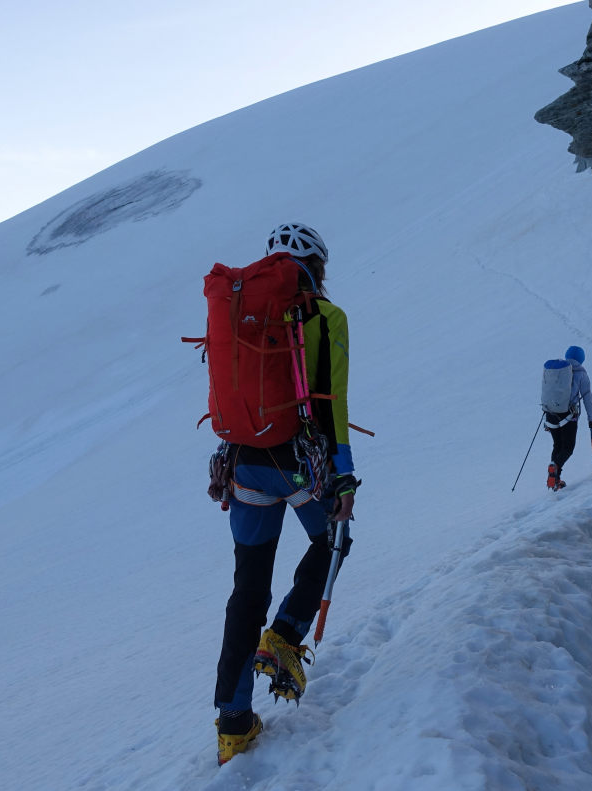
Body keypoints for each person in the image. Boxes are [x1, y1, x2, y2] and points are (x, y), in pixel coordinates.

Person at [213, 223, 359, 765]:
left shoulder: (238, 310)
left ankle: (233, 724)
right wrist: (343, 477)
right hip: (300, 464)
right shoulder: (327, 316)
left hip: (243, 465)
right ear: (316, 266)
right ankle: (283, 639)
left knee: (246, 589)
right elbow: (332, 405)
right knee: (333, 542)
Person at [545, 345, 592, 490]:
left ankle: (555, 479)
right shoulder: (581, 374)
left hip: (551, 414)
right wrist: (591, 420)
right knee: (568, 447)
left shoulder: (557, 371)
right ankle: (555, 468)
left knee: (557, 445)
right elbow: (587, 399)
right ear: (581, 359)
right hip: (569, 416)